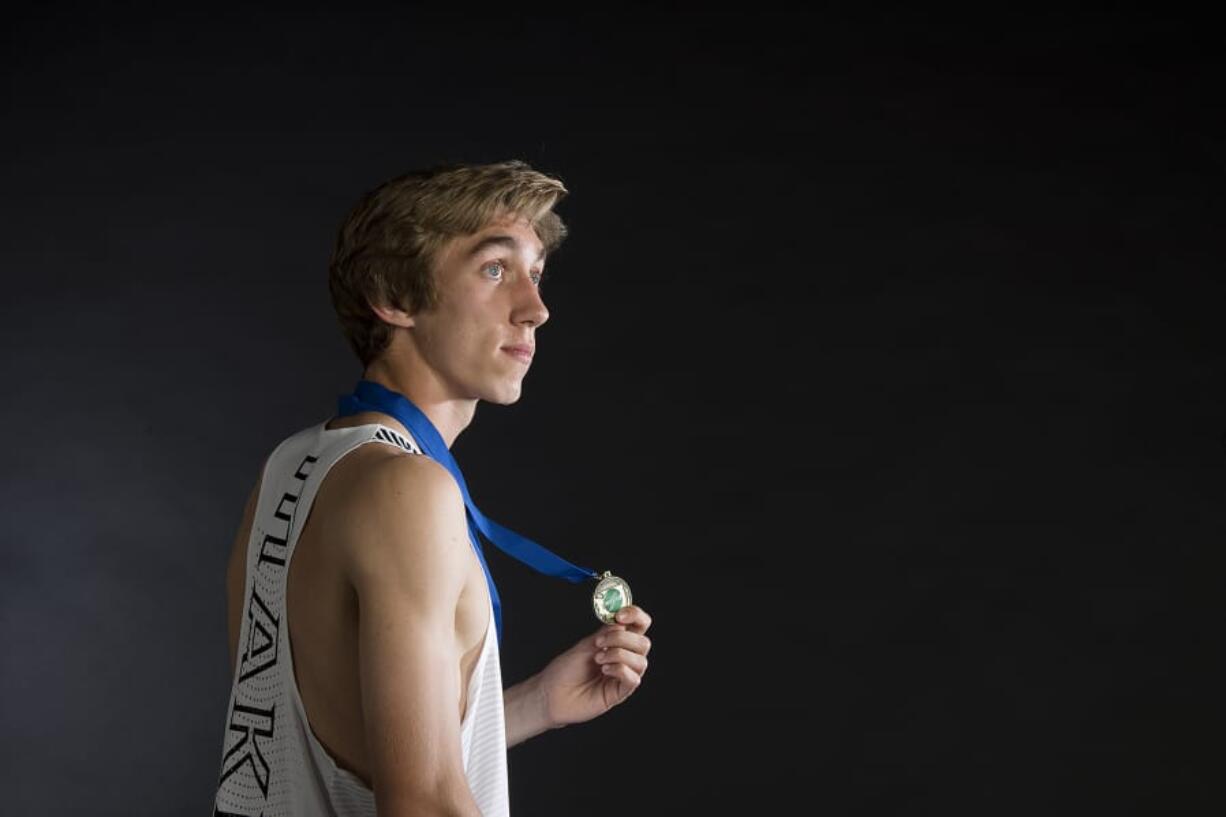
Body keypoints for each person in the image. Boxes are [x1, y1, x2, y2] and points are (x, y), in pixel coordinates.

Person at [213, 161, 653, 817]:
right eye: (495, 269)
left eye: (536, 273)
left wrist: (536, 704)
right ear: (393, 293)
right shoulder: (408, 489)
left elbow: (341, 751)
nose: (536, 309)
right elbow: (420, 801)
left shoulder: (296, 460)